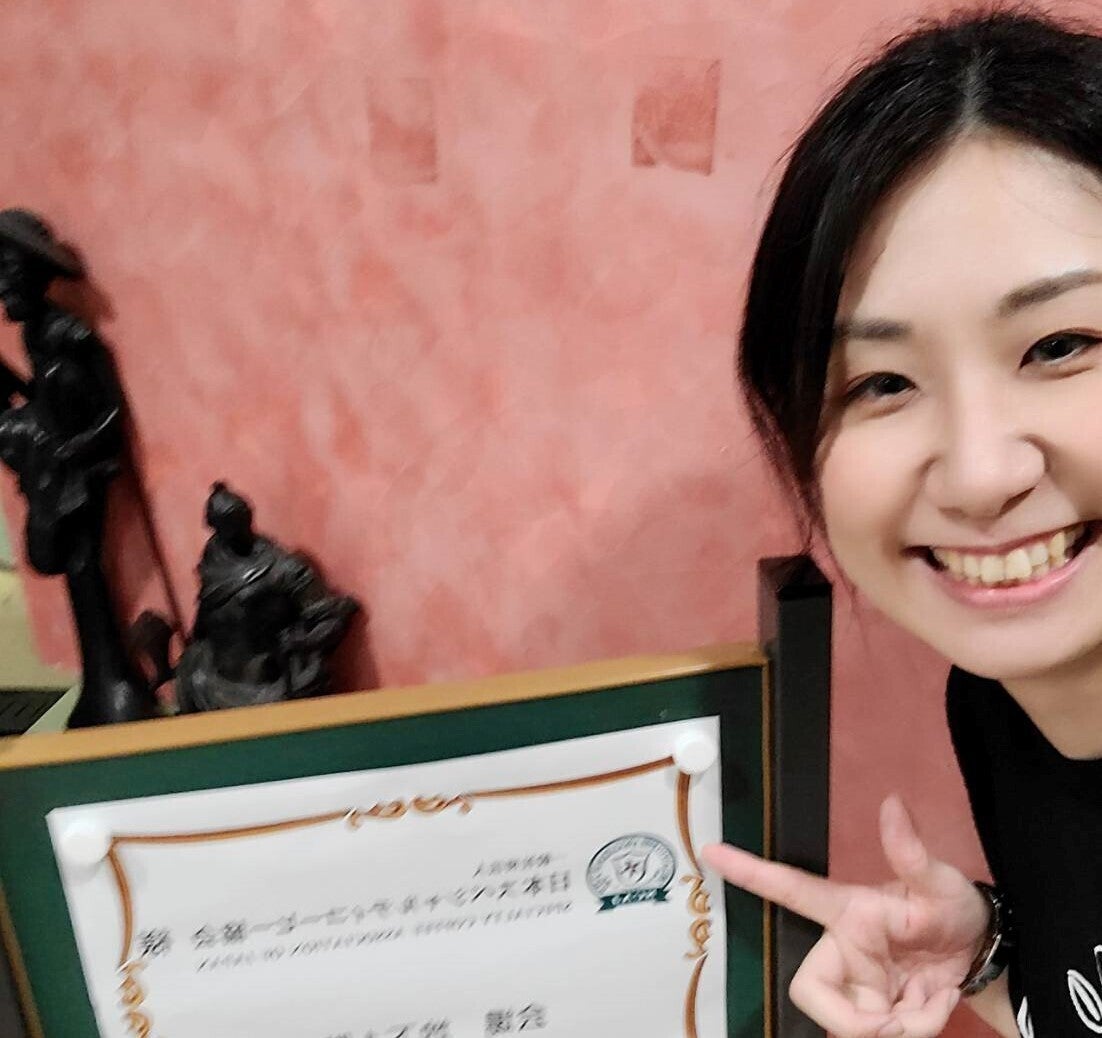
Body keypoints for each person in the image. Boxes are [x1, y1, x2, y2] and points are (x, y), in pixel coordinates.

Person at [702, 8, 1102, 1037]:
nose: (978, 476)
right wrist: (993, 957)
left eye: (1061, 345)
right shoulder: (1003, 707)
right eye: (881, 381)